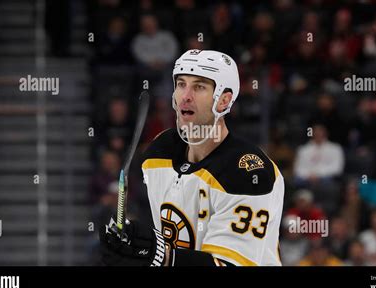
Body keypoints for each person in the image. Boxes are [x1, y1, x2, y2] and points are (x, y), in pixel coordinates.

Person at [99, 49, 285, 266]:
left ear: (224, 101)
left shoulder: (250, 172)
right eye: (181, 84)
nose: (186, 96)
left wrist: (160, 255)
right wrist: (132, 248)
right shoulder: (159, 153)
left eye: (199, 87)